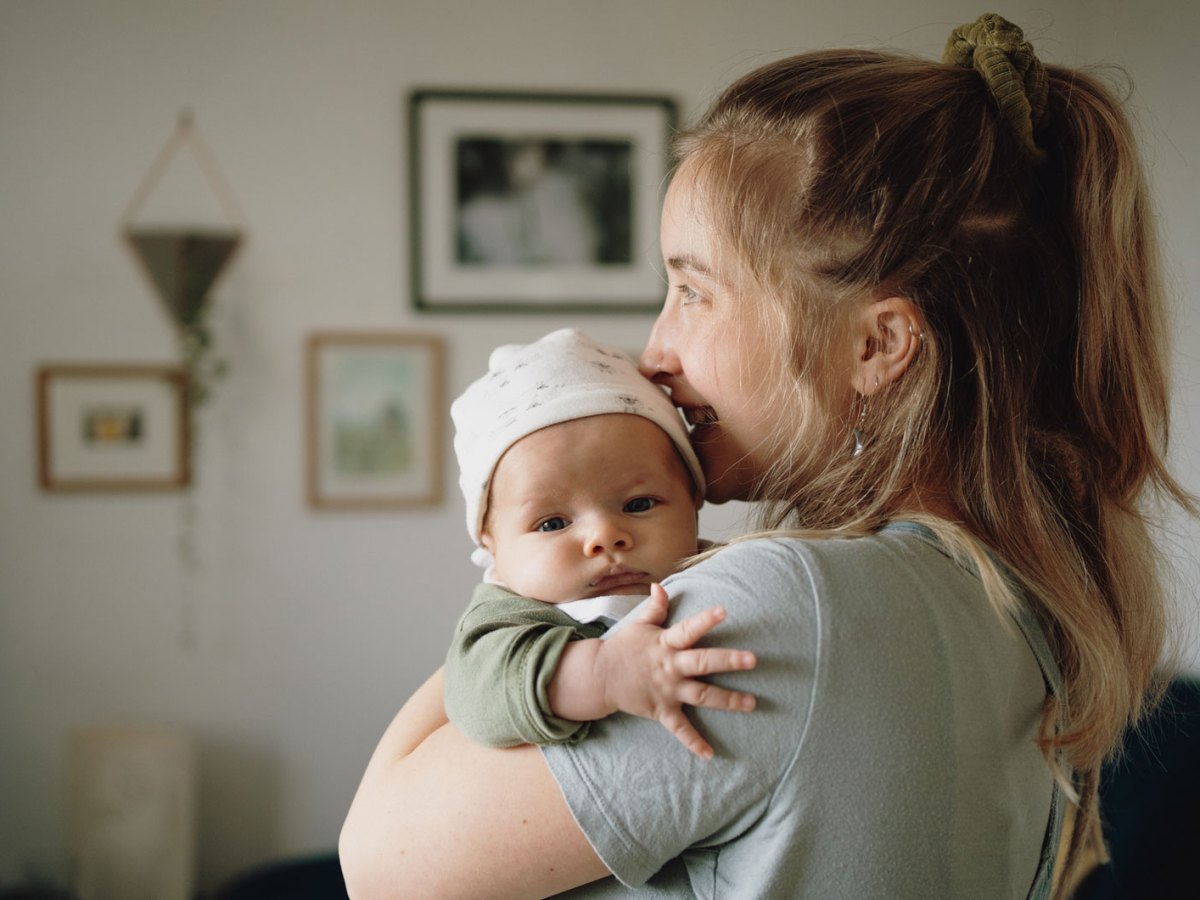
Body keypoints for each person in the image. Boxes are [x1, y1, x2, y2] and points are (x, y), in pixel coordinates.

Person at [340, 13, 1196, 899]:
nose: (654, 353)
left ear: (877, 347)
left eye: (692, 291)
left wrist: (514, 577)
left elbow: (377, 865)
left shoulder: (784, 612)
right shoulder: (1020, 606)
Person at [444, 327, 755, 758]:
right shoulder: (509, 617)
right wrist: (604, 674)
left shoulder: (727, 571)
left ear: (692, 498)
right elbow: (473, 696)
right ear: (490, 542)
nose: (605, 536)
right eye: (552, 523)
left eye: (639, 503)